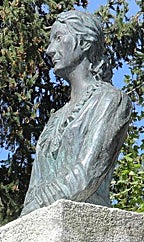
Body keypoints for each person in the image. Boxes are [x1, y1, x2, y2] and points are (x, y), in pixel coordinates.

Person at [20, 9, 132, 215]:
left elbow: (86, 174)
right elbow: (34, 187)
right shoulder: (55, 118)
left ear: (85, 42)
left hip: (85, 219)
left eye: (58, 38)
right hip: (41, 222)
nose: (49, 50)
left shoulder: (110, 100)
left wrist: (36, 207)